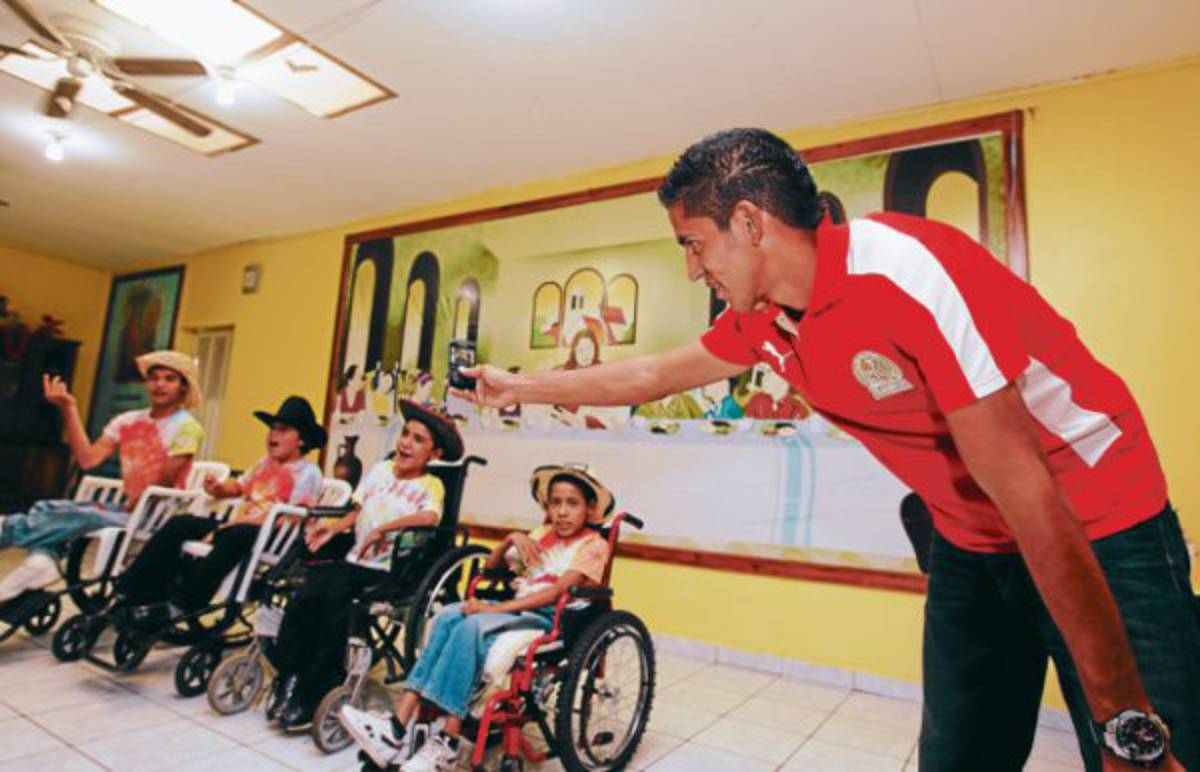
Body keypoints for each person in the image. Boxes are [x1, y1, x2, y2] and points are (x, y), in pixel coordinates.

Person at [454, 129, 1198, 770]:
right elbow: (651, 373)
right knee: (961, 752)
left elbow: (1032, 496)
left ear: (748, 223)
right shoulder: (764, 321)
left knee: (1158, 749)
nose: (691, 269)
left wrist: (1123, 724)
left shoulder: (905, 271)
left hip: (1099, 517)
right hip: (973, 534)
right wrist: (517, 387)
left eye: (693, 245)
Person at [339, 463, 613, 771]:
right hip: (520, 605)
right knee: (446, 616)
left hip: (549, 617)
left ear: (590, 510)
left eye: (572, 504)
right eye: (556, 502)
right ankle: (398, 726)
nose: (562, 512)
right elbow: (493, 570)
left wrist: (490, 609)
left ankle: (449, 740)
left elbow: (554, 593)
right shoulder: (542, 537)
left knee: (471, 627)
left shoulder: (593, 545)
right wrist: (511, 539)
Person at [268, 400, 462, 732]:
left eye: (418, 439)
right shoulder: (379, 471)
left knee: (335, 605)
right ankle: (290, 676)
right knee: (306, 594)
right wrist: (334, 526)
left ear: (435, 453)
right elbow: (356, 511)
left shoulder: (431, 485)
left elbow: (430, 518)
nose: (405, 443)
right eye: (405, 434)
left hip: (390, 571)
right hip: (355, 559)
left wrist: (384, 529)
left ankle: (315, 691)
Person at [0, 350, 204, 601]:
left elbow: (167, 480)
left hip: (158, 515)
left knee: (85, 514)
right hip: (128, 508)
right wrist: (69, 407)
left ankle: (7, 530)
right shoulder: (128, 420)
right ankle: (43, 561)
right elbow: (88, 459)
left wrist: (137, 503)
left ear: (183, 387)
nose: (159, 384)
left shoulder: (187, 427)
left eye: (170, 379)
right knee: (50, 506)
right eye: (154, 378)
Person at [112, 396, 325, 616]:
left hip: (274, 536)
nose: (273, 434)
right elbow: (239, 486)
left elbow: (291, 517)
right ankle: (133, 590)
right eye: (272, 429)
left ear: (302, 439)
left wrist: (233, 525)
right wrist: (218, 489)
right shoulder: (264, 464)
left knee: (237, 534)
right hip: (240, 526)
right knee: (180, 523)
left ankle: (182, 604)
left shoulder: (307, 473)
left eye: (283, 430)